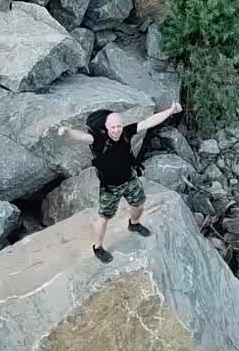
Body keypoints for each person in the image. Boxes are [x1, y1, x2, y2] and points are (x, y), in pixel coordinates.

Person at [57, 103, 182, 261]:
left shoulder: (126, 132)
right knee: (104, 218)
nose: (117, 130)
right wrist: (67, 131)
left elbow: (149, 121)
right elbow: (81, 137)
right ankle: (97, 247)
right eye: (113, 127)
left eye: (119, 126)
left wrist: (170, 110)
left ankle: (134, 223)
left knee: (139, 205)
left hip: (129, 179)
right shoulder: (98, 139)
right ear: (106, 127)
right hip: (110, 188)